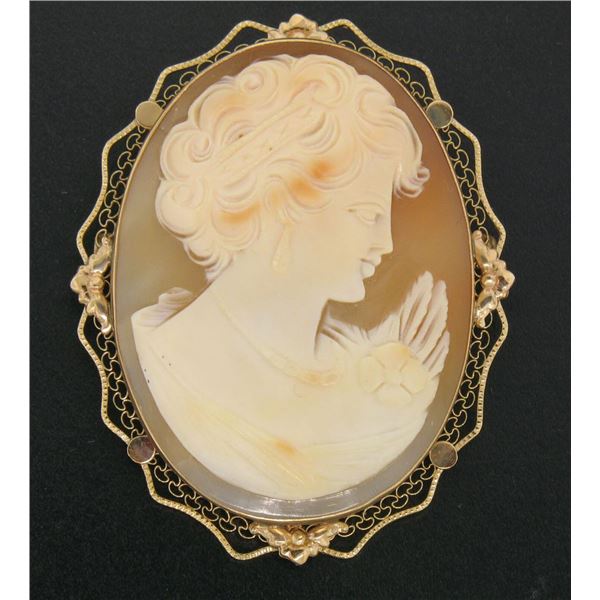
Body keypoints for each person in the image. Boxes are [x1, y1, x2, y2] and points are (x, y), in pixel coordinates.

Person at [132, 54, 449, 499]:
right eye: (367, 214)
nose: (387, 243)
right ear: (280, 206)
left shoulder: (366, 370)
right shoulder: (172, 360)